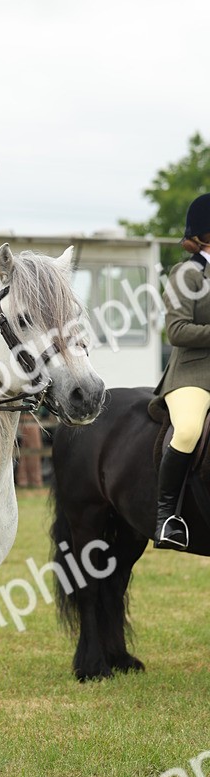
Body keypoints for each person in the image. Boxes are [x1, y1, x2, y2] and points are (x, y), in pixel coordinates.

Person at [149, 192, 210, 549]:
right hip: (193, 374)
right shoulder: (186, 274)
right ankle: (166, 518)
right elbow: (177, 331)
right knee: (186, 431)